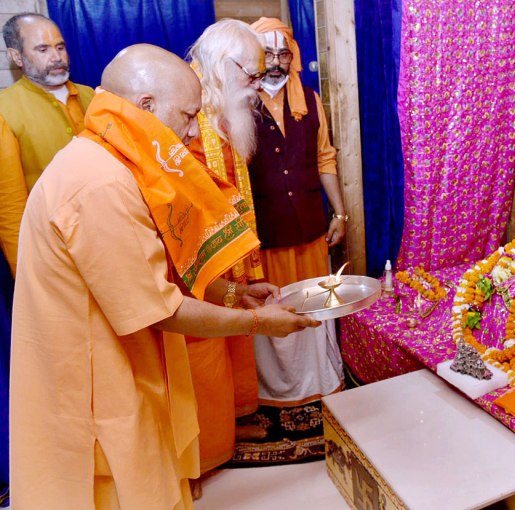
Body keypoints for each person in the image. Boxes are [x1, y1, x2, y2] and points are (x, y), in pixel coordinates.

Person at [9, 43, 318, 509]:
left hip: (122, 361)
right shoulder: (100, 183)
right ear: (146, 106)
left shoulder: (111, 155)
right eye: (188, 115)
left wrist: (232, 293)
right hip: (96, 382)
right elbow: (161, 309)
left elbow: (154, 265)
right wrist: (259, 323)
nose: (193, 131)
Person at [184, 19, 269, 475]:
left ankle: (235, 420)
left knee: (235, 329)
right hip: (195, 258)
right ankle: (203, 451)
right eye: (251, 75)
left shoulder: (223, 109)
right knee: (204, 353)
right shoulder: (186, 113)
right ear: (222, 65)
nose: (256, 86)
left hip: (230, 251)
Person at [248, 17, 347, 409]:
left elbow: (325, 157)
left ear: (293, 58)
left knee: (315, 306)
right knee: (272, 309)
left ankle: (319, 380)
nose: (276, 62)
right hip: (264, 234)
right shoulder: (237, 102)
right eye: (267, 54)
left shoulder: (310, 99)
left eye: (283, 54)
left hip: (308, 229)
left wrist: (339, 214)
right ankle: (277, 390)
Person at [0, 13, 93, 277]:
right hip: (54, 254)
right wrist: (26, 275)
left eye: (60, 47)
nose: (57, 57)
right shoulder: (5, 110)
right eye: (43, 49)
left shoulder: (92, 96)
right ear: (17, 57)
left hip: (109, 236)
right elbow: (10, 206)